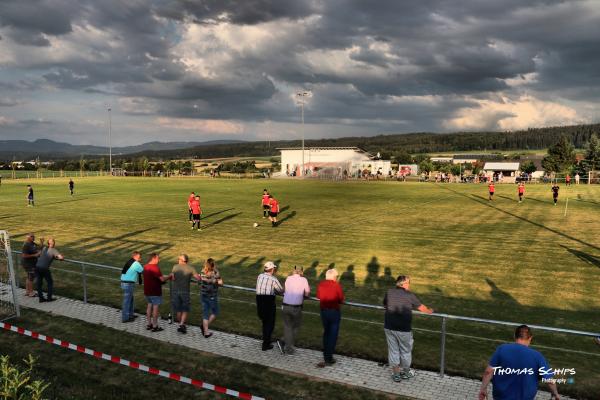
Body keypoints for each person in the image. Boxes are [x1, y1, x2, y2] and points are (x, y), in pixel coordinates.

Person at [479, 325, 560, 400]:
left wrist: (483, 389)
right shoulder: (537, 356)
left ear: (515, 336)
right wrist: (555, 394)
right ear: (530, 338)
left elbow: (488, 372)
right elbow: (549, 380)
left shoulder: (502, 349)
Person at [383, 275, 433, 382]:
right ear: (404, 284)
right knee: (405, 351)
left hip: (389, 327)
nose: (409, 285)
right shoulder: (409, 295)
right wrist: (430, 311)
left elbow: (385, 305)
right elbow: (422, 308)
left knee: (393, 351)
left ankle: (396, 374)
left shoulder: (389, 292)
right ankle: (406, 373)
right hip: (403, 329)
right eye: (409, 283)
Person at [277, 265, 310, 355]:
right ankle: (287, 347)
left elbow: (283, 290)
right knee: (295, 327)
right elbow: (307, 293)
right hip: (296, 307)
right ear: (301, 272)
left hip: (285, 306)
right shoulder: (304, 280)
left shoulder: (288, 278)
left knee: (288, 327)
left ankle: (284, 341)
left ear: (294, 271)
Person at [316, 268, 345, 367]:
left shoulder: (321, 284)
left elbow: (319, 296)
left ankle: (326, 354)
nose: (337, 278)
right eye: (336, 277)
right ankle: (328, 357)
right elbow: (341, 299)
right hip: (333, 312)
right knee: (332, 335)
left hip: (324, 311)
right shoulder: (336, 285)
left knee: (326, 332)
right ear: (333, 277)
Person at [256, 261, 284, 350]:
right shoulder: (273, 279)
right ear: (272, 269)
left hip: (259, 300)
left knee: (264, 322)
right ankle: (266, 344)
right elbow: (280, 291)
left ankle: (266, 340)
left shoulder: (260, 276)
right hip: (268, 302)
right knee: (270, 324)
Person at [171, 254, 200, 334]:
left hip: (175, 291)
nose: (178, 260)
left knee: (178, 309)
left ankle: (180, 325)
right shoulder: (191, 268)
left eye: (178, 259)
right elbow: (198, 278)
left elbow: (173, 277)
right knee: (185, 309)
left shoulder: (175, 267)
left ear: (181, 260)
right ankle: (181, 325)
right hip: (185, 291)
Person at [143, 253, 171, 332]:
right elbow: (162, 279)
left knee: (149, 306)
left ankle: (149, 324)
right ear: (154, 258)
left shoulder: (145, 266)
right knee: (155, 308)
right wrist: (169, 276)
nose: (159, 260)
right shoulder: (155, 268)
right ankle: (155, 326)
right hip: (155, 291)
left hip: (147, 291)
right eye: (158, 258)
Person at [35, 237, 64, 302]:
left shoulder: (45, 248)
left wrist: (54, 257)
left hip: (37, 266)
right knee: (50, 282)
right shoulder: (54, 250)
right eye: (54, 242)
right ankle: (49, 298)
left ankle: (41, 298)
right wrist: (61, 257)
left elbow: (41, 255)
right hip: (44, 268)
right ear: (53, 243)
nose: (54, 243)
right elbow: (61, 258)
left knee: (39, 283)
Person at [199, 258, 223, 338]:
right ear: (213, 264)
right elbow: (221, 283)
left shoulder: (202, 271)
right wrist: (214, 281)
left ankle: (205, 332)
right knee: (215, 312)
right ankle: (204, 328)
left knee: (205, 313)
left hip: (203, 294)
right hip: (212, 296)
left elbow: (201, 279)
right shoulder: (215, 272)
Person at [120, 251, 144, 323]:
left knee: (130, 299)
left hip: (124, 282)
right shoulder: (136, 264)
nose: (140, 258)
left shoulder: (130, 261)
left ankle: (130, 315)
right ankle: (125, 318)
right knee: (127, 301)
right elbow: (143, 271)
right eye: (139, 257)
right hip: (128, 284)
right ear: (136, 257)